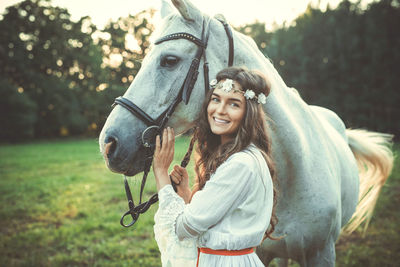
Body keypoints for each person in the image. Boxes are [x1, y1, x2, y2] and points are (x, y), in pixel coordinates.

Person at [152, 66, 279, 267]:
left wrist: (160, 173)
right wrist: (185, 195)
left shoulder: (241, 164)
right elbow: (217, 221)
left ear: (249, 112)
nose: (220, 110)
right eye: (216, 99)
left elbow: (183, 228)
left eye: (234, 104)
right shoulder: (240, 157)